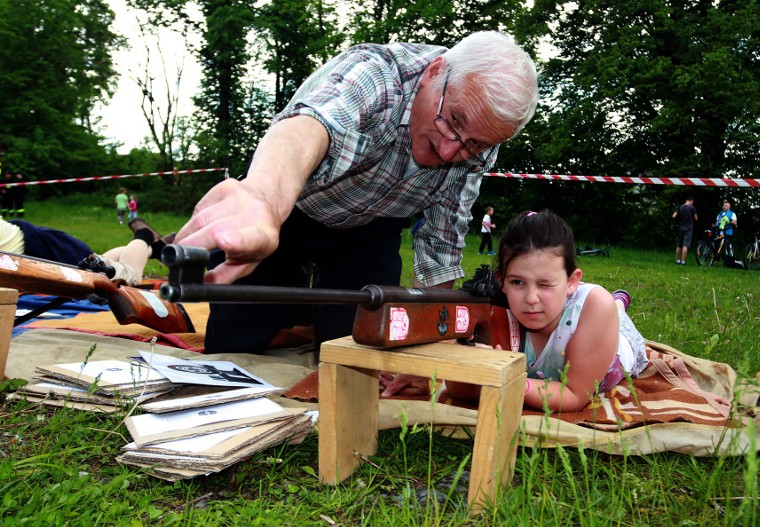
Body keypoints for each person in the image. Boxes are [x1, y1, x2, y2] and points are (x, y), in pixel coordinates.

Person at [174, 31, 539, 354]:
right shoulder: (377, 75)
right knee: (235, 341)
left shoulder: (480, 140)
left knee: (358, 351)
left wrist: (432, 340)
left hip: (370, 232)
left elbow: (441, 241)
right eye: (452, 120)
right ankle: (290, 316)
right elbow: (306, 128)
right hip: (288, 212)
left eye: (474, 144)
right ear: (433, 73)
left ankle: (311, 325)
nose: (449, 152)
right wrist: (264, 200)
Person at [381, 211, 648, 411]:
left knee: (612, 308)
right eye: (517, 282)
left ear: (572, 281)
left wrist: (506, 376)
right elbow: (462, 393)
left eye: (545, 284)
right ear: (502, 280)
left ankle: (619, 301)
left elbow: (574, 396)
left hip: (610, 338)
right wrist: (470, 363)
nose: (531, 299)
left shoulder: (592, 306)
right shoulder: (494, 313)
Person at [0, 216, 173, 286]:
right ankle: (155, 248)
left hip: (43, 251)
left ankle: (144, 236)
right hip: (34, 249)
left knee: (126, 280)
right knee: (101, 264)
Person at [672, 195, 697, 265]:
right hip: (688, 228)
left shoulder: (680, 207)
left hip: (680, 227)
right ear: (691, 201)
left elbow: (674, 215)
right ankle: (683, 261)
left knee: (679, 245)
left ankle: (677, 261)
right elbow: (696, 218)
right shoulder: (692, 207)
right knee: (685, 245)